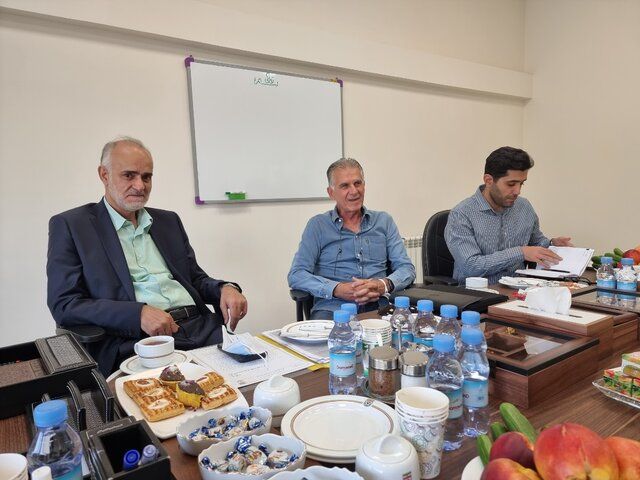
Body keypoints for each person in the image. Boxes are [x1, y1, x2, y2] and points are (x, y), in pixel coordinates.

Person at [47, 137, 248, 375]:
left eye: (146, 177)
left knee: (260, 376)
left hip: (202, 328)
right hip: (138, 341)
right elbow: (65, 304)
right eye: (129, 175)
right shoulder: (72, 226)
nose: (140, 186)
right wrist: (138, 314)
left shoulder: (168, 221)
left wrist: (225, 288)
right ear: (104, 175)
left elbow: (194, 279)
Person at [288, 157, 415, 319]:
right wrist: (336, 289)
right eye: (345, 186)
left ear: (364, 185)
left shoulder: (384, 221)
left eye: (357, 183)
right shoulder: (318, 226)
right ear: (331, 193)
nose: (354, 191)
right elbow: (296, 274)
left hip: (380, 306)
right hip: (333, 309)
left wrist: (383, 285)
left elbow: (406, 268)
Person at [444, 146, 572, 285]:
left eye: (521, 184)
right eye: (511, 184)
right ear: (488, 180)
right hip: (479, 293)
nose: (517, 191)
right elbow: (471, 266)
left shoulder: (524, 206)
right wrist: (520, 253)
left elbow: (535, 242)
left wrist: (551, 244)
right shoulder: (461, 215)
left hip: (522, 288)